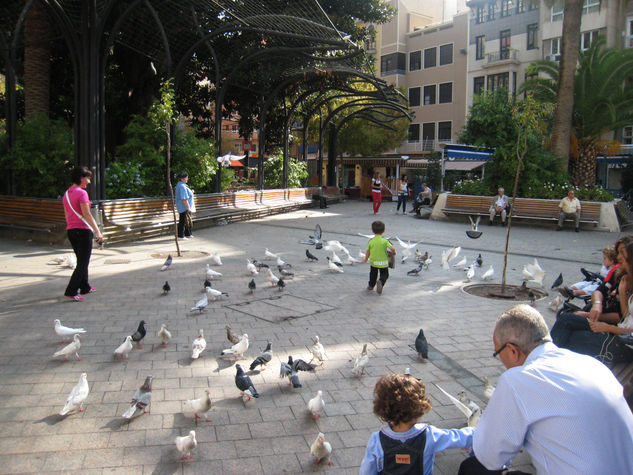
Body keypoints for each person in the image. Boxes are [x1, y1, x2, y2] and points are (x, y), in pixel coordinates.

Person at [459, 304, 633, 475]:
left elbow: (489, 457)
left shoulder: (519, 379)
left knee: (472, 468)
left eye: (498, 354)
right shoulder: (592, 364)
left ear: (512, 350)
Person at [360, 373, 473, 475]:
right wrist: (478, 429)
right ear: (419, 409)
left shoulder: (376, 440)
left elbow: (366, 471)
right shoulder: (429, 435)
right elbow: (459, 437)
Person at [551, 239, 633, 365]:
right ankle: (543, 365)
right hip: (615, 331)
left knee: (570, 337)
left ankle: (543, 365)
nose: (618, 257)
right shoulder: (622, 276)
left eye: (623, 254)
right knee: (566, 319)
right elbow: (626, 317)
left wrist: (606, 327)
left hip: (623, 343)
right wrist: (620, 293)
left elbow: (627, 328)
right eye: (619, 252)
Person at [62, 165, 104, 302]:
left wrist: (71, 227)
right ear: (81, 178)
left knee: (81, 260)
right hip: (83, 231)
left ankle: (85, 287)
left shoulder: (67, 193)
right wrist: (97, 231)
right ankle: (71, 291)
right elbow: (86, 214)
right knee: (83, 263)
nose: (89, 181)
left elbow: (66, 215)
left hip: (71, 230)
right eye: (88, 178)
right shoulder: (82, 193)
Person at [362, 221, 395, 295]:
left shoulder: (371, 241)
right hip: (383, 262)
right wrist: (394, 252)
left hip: (373, 262)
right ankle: (381, 281)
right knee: (384, 274)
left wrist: (365, 259)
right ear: (384, 230)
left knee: (373, 274)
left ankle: (371, 285)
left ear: (372, 230)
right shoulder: (385, 241)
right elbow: (392, 248)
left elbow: (368, 251)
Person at [175, 172, 194, 240]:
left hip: (183, 206)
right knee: (183, 221)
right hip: (183, 206)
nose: (187, 179)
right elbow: (184, 198)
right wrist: (188, 207)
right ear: (183, 179)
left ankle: (188, 233)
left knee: (187, 220)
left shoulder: (182, 185)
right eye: (186, 178)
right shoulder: (182, 186)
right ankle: (180, 235)